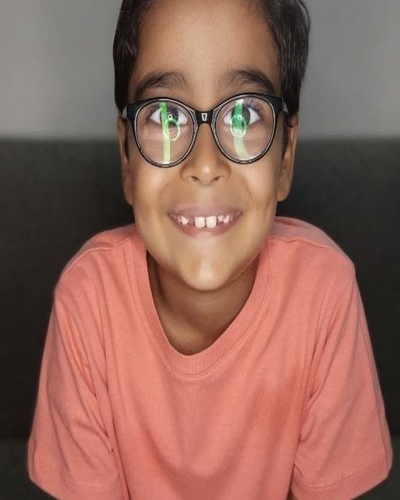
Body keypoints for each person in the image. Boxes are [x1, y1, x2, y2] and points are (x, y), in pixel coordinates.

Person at [27, 0, 393, 499]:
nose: (204, 164)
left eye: (244, 114)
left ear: (286, 155)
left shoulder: (323, 292)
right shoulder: (88, 302)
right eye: (165, 116)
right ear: (127, 159)